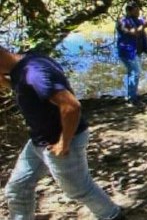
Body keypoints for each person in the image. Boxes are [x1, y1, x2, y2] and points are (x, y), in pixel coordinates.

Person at [0, 47, 122, 220]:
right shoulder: (25, 65)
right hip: (38, 140)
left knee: (80, 190)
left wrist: (63, 143)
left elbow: (71, 107)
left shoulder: (33, 73)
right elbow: (24, 86)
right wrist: (4, 82)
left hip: (59, 141)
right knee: (18, 188)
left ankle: (112, 215)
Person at [116, 0, 147, 105]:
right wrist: (144, 24)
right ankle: (132, 98)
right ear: (129, 11)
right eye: (136, 10)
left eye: (139, 10)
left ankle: (131, 96)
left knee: (133, 73)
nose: (139, 12)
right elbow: (133, 33)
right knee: (135, 72)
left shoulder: (138, 20)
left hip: (136, 52)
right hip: (127, 51)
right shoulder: (122, 21)